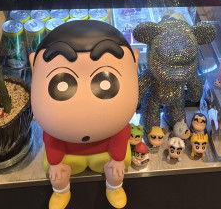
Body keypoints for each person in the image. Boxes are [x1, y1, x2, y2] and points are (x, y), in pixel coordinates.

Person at [30, 20, 139, 209]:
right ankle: (61, 192)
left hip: (104, 153)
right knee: (56, 175)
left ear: (134, 63)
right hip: (68, 155)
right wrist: (55, 163)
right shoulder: (54, 129)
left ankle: (114, 188)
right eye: (62, 84)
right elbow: (51, 139)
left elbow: (121, 135)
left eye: (106, 83)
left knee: (116, 171)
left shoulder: (118, 124)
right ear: (34, 66)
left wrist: (118, 159)